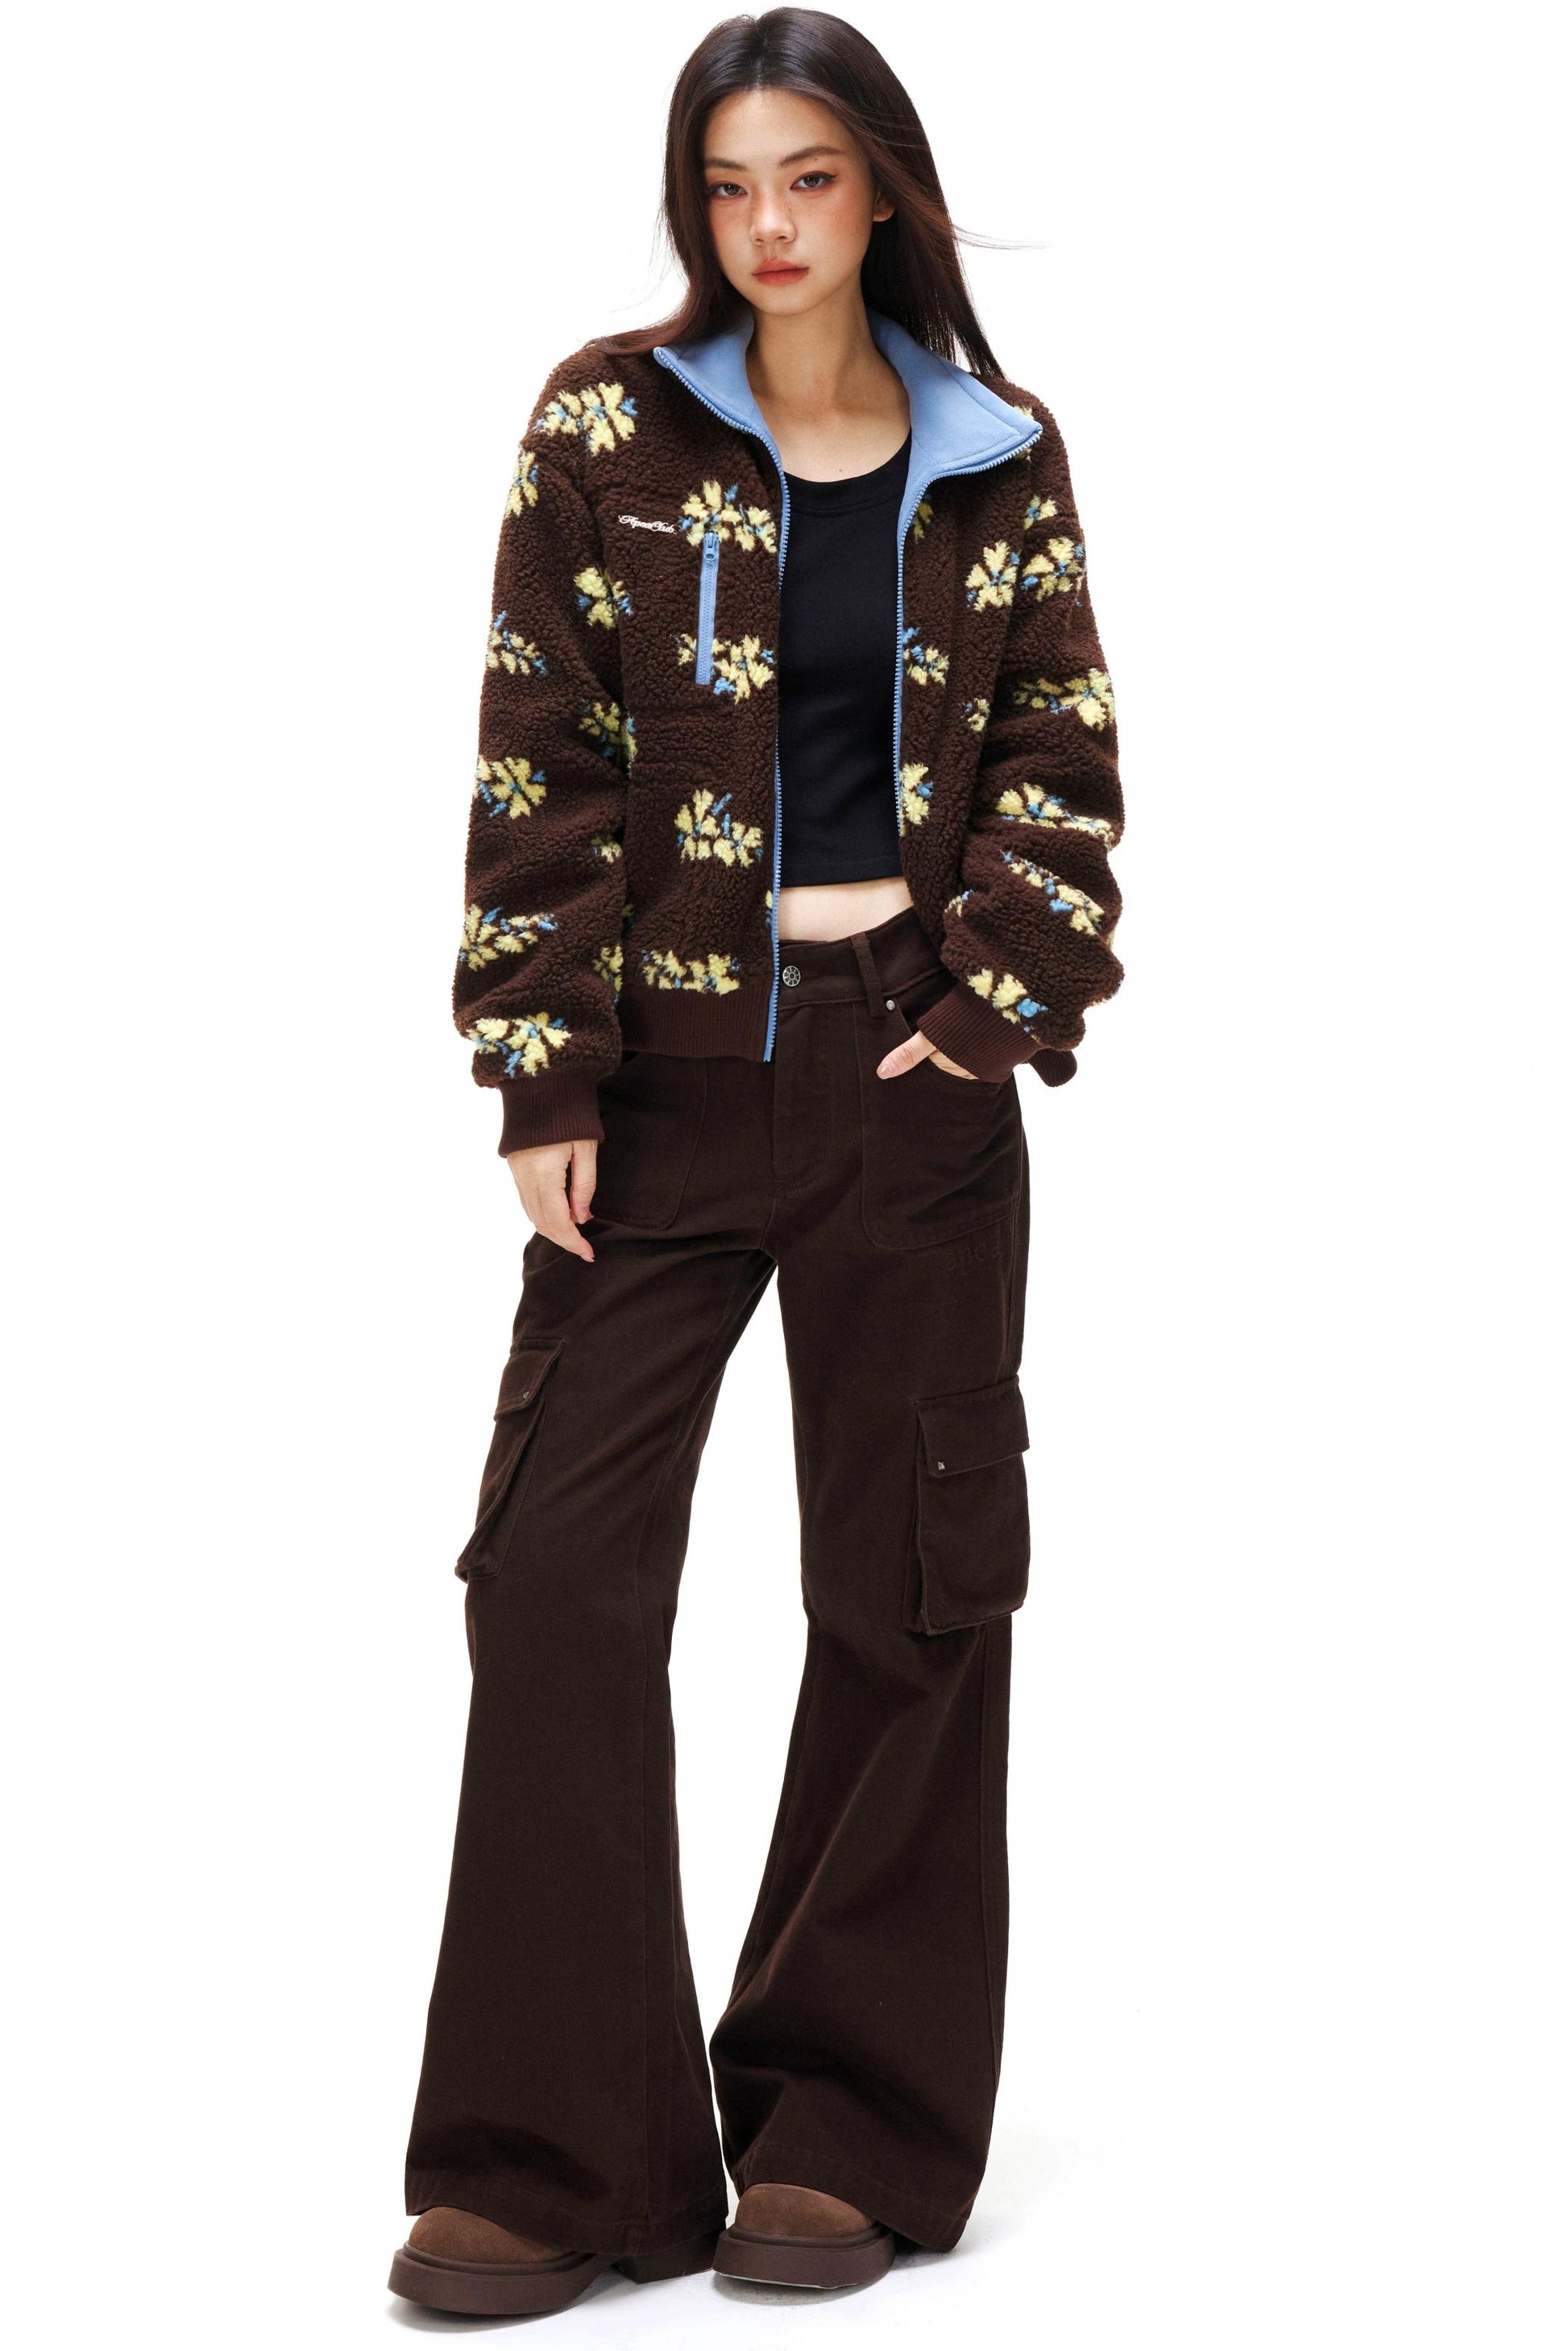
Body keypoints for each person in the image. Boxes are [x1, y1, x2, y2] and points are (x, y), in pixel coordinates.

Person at [388, 6, 1125, 2319]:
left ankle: (849, 2123)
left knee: (908, 1586)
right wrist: (544, 1074)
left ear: (880, 187)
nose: (768, 226)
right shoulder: (605, 426)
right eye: (728, 186)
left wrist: (981, 1010)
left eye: (807, 179)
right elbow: (537, 750)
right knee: (557, 1579)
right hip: (661, 1086)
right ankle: (559, 2156)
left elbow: (1061, 760)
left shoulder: (998, 456)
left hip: (910, 1077)